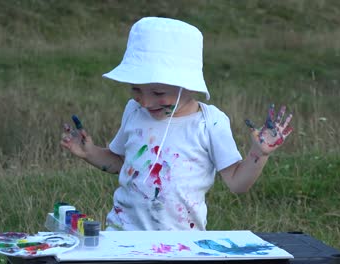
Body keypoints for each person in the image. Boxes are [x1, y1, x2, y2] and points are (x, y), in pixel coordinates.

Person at [61, 17, 293, 231]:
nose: (146, 100)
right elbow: (119, 162)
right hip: (122, 235)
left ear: (188, 85)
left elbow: (237, 183)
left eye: (158, 92)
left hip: (180, 243)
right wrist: (89, 152)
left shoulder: (209, 123)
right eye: (136, 89)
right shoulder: (134, 111)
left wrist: (258, 153)